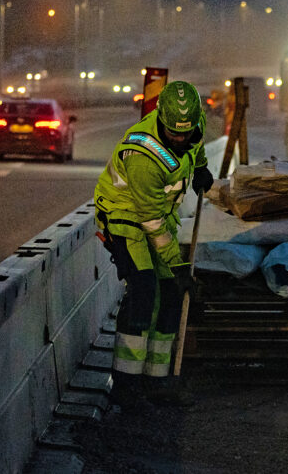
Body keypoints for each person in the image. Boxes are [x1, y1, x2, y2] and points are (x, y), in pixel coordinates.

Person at [94, 81, 214, 409]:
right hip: (125, 219)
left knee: (171, 295)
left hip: (158, 215)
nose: (179, 139)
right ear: (160, 118)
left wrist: (201, 168)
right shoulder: (143, 154)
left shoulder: (192, 127)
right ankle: (126, 384)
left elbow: (196, 145)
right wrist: (177, 265)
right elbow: (150, 222)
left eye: (185, 133)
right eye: (173, 134)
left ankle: (157, 380)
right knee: (145, 291)